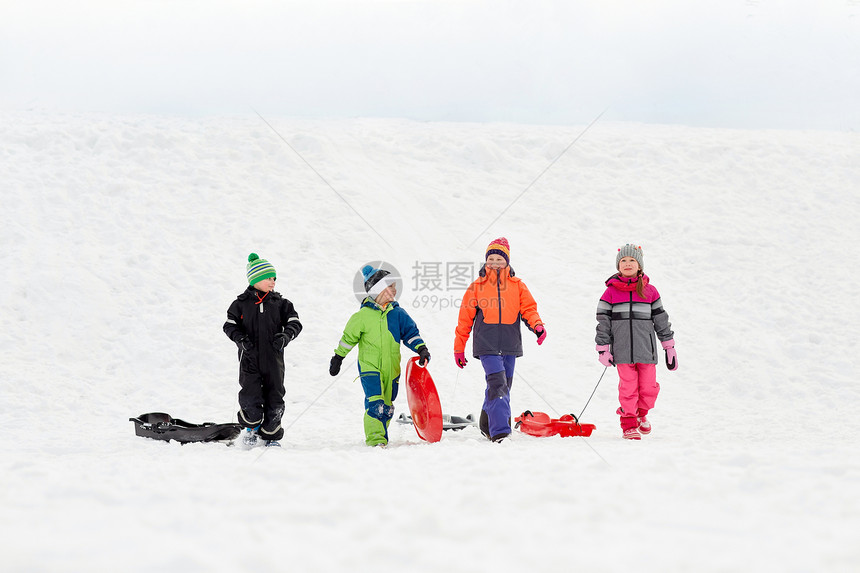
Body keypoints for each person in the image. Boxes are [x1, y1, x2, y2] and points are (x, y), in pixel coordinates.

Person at [454, 237, 546, 442]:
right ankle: (500, 432)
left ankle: (486, 422)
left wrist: (538, 326)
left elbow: (529, 309)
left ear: (507, 261)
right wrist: (458, 348)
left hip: (510, 344)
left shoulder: (517, 285)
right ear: (486, 261)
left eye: (499, 259)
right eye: (491, 259)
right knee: (498, 384)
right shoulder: (477, 286)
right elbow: (464, 319)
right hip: (486, 345)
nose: (495, 263)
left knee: (503, 385)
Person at [329, 265, 430, 447]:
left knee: (388, 406)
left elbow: (410, 333)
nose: (394, 290)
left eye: (394, 286)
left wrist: (421, 349)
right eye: (390, 286)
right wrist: (338, 357)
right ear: (378, 290)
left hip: (391, 368)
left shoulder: (398, 314)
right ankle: (376, 440)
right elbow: (348, 339)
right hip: (370, 367)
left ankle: (381, 434)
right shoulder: (362, 316)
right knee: (375, 403)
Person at [595, 244, 677, 440]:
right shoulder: (610, 293)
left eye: (632, 260)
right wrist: (602, 348)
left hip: (646, 350)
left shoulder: (650, 292)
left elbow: (661, 320)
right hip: (622, 351)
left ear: (639, 265)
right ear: (618, 266)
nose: (627, 263)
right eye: (623, 261)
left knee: (649, 387)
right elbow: (603, 322)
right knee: (628, 386)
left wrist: (669, 346)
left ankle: (642, 414)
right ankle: (629, 423)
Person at [223, 253, 303, 447]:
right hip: (249, 359)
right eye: (268, 278)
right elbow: (229, 326)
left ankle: (270, 436)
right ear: (256, 279)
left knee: (275, 397)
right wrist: (240, 339)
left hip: (274, 360)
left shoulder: (281, 304)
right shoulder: (240, 304)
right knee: (251, 396)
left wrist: (286, 336)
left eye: (274, 278)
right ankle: (251, 428)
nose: (272, 281)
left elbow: (295, 323)